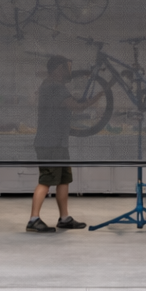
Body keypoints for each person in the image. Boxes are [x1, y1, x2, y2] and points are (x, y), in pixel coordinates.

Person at [27, 54, 104, 233]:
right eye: (65, 67)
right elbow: (76, 106)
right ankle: (33, 219)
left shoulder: (51, 86)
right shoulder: (55, 87)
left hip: (58, 143)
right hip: (50, 144)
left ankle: (64, 218)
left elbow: (68, 104)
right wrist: (98, 97)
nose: (68, 71)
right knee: (46, 181)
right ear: (57, 69)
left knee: (63, 180)